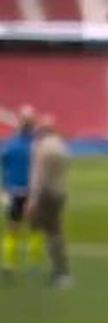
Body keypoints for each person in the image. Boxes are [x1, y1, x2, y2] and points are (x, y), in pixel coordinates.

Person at [26, 113, 72, 288]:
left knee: (49, 232)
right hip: (61, 193)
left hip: (46, 193)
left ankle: (59, 272)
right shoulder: (61, 146)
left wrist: (33, 201)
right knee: (57, 231)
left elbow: (37, 177)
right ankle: (62, 271)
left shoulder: (41, 147)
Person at [1, 105, 45, 281]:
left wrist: (4, 187)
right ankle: (34, 265)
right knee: (35, 228)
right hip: (32, 192)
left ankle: (8, 265)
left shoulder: (10, 145)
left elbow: (3, 165)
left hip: (14, 192)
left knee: (13, 229)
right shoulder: (36, 145)